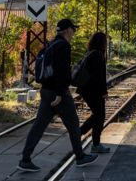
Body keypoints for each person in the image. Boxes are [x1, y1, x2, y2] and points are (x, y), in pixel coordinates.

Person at [18, 19, 97, 172]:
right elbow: (62, 72)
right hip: (58, 93)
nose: (74, 32)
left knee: (39, 126)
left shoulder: (51, 43)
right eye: (74, 29)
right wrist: (61, 93)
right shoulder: (64, 46)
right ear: (67, 30)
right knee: (73, 124)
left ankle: (25, 159)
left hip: (46, 91)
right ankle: (80, 157)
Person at [77, 32, 110, 153]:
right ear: (102, 43)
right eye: (105, 42)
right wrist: (104, 92)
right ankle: (95, 144)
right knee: (100, 116)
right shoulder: (97, 55)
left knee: (97, 115)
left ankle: (80, 132)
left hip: (87, 90)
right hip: (93, 91)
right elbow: (99, 77)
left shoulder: (90, 53)